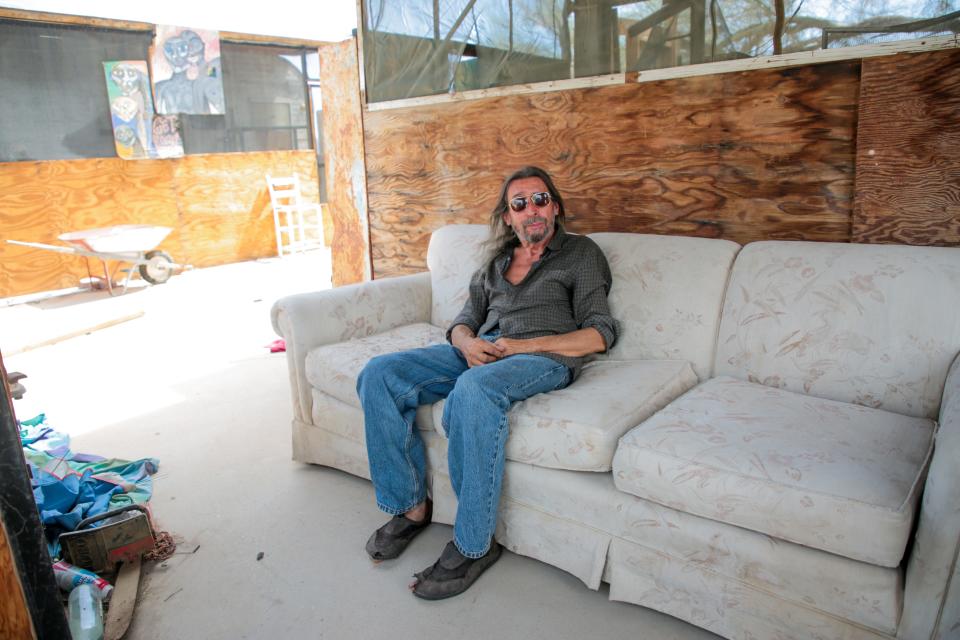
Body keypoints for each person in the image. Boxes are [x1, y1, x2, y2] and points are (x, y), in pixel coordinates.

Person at [356, 165, 619, 600]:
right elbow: (464, 320)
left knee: (474, 391)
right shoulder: (495, 264)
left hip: (543, 356)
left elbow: (599, 334)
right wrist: (466, 342)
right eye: (520, 203)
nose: (531, 209)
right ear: (508, 216)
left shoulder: (581, 253)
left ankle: (475, 544)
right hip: (484, 350)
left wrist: (524, 347)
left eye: (540, 199)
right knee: (379, 374)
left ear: (554, 207)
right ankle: (412, 506)